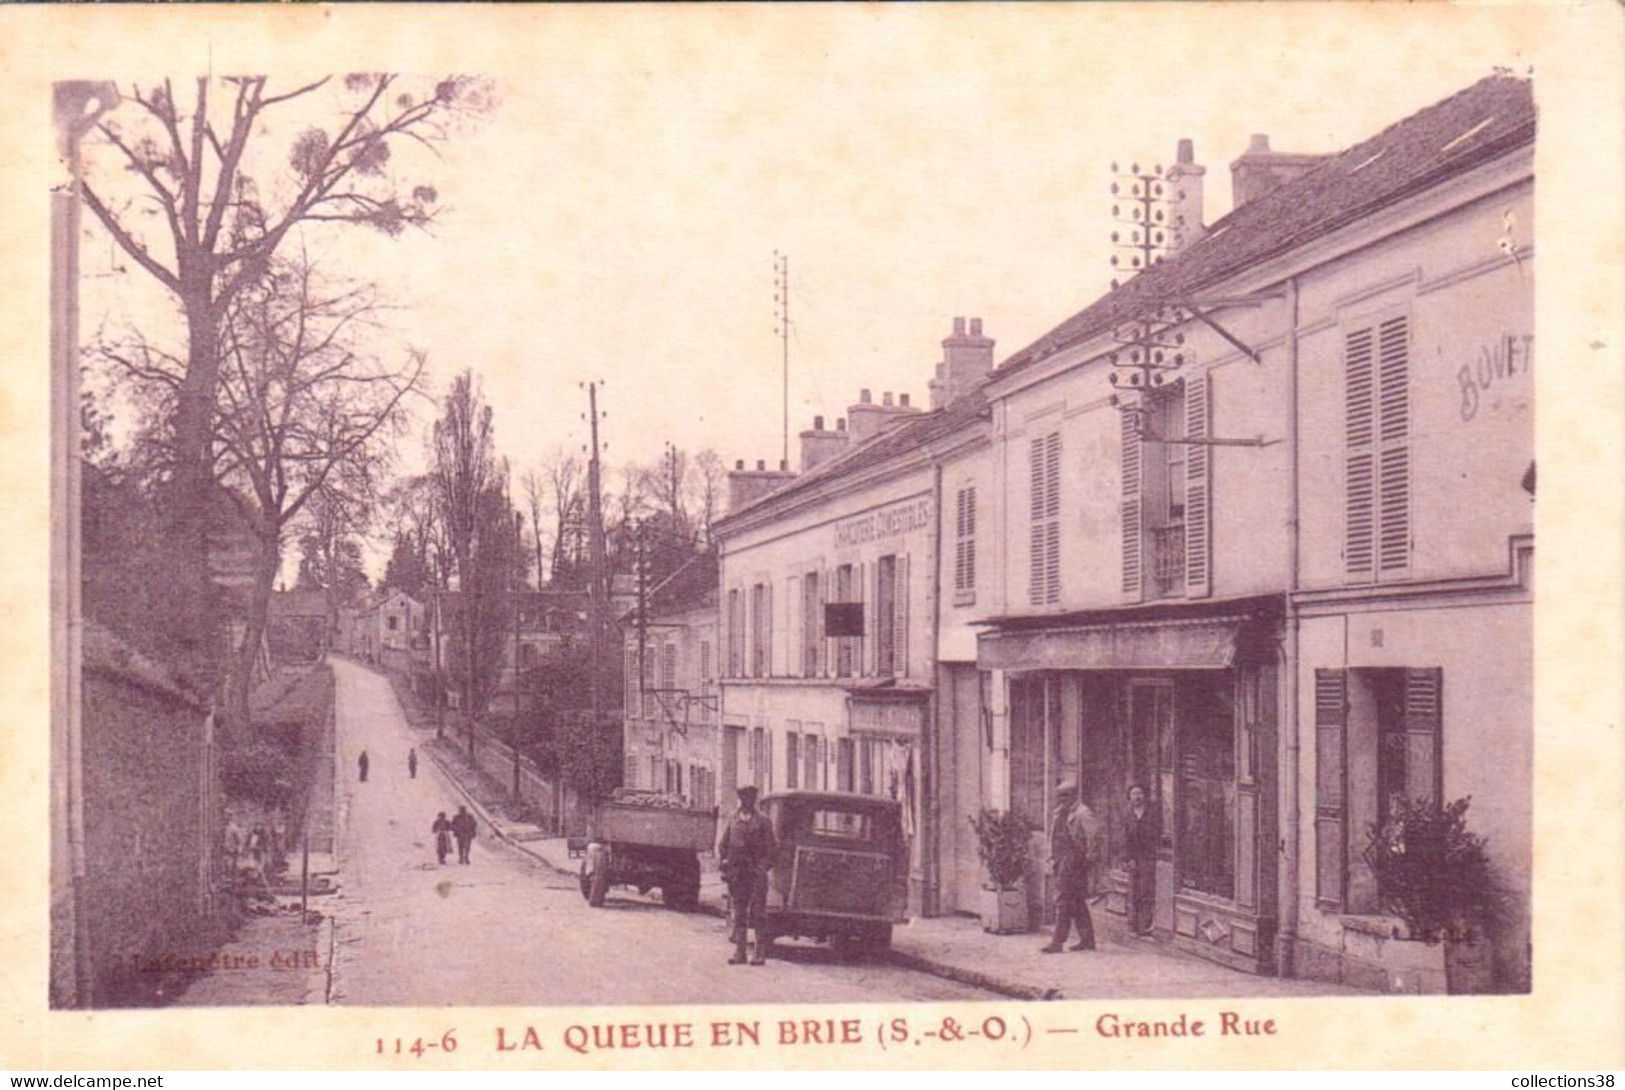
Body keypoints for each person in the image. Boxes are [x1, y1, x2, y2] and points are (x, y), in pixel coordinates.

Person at [717, 785, 776, 966]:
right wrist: (725, 861)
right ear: (740, 799)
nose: (746, 801)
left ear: (754, 799)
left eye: (750, 798)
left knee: (758, 912)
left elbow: (772, 849)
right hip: (737, 873)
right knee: (740, 913)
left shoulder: (764, 821)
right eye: (743, 798)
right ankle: (740, 952)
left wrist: (762, 867)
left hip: (756, 872)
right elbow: (723, 844)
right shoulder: (733, 819)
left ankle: (759, 953)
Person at [1041, 779, 1095, 953]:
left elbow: (1094, 838)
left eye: (1065, 795)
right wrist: (1051, 856)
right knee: (1076, 900)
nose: (1061, 799)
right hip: (1061, 859)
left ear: (1074, 795)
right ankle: (1087, 939)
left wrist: (1089, 858)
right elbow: (1054, 836)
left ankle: (1057, 941)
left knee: (1063, 899)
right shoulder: (1060, 812)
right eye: (1059, 796)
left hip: (1074, 860)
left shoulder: (1083, 813)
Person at [1125, 784, 1161, 937]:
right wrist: (1127, 858)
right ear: (1130, 797)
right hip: (1133, 858)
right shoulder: (1127, 814)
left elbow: (1157, 834)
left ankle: (1145, 926)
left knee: (1146, 891)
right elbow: (1124, 837)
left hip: (1148, 857)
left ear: (1145, 796)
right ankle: (1133, 926)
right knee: (1133, 892)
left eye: (1140, 793)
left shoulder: (1152, 813)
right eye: (1134, 794)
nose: (1137, 797)